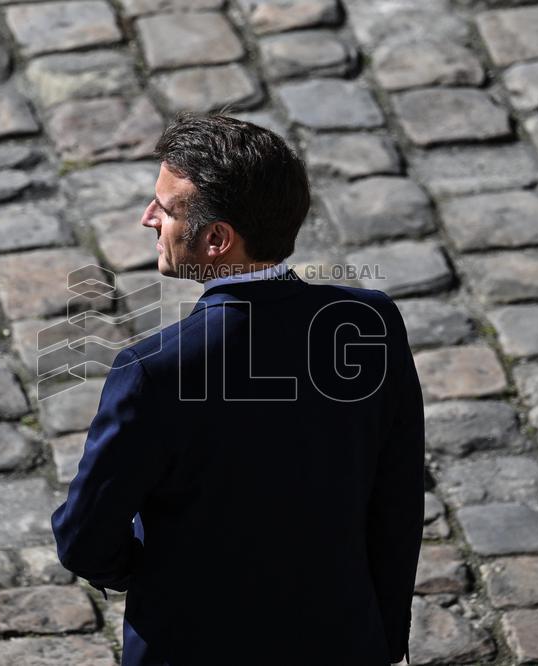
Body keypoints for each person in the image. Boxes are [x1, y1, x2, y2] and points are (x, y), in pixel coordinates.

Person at [51, 112, 425, 666]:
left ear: (218, 240)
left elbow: (84, 537)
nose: (147, 217)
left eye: (167, 208)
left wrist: (152, 571)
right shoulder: (368, 323)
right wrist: (381, 638)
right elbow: (396, 504)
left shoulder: (154, 371)